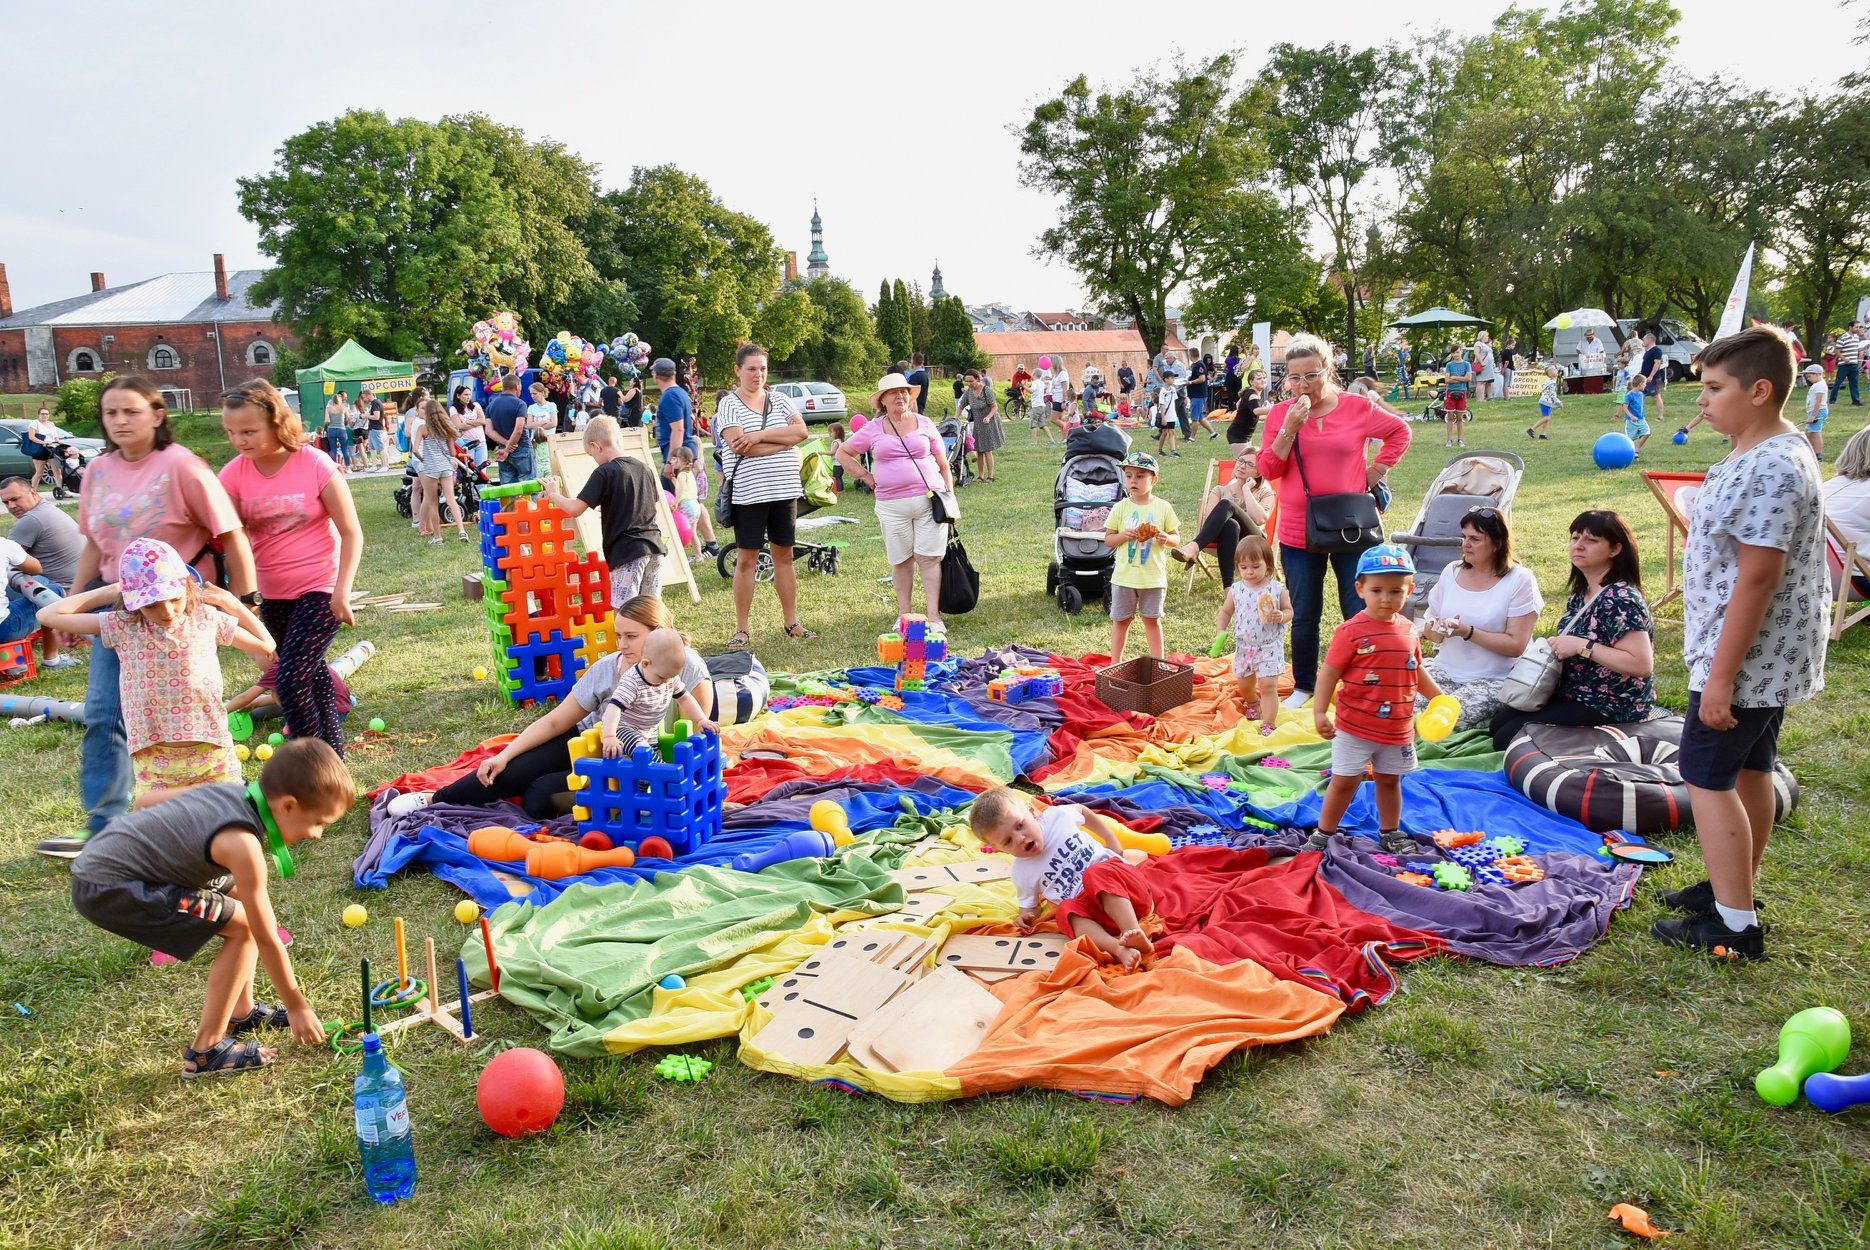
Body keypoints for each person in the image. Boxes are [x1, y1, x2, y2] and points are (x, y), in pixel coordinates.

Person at [1653, 326, 1827, 960]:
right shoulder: (1750, 448)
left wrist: (1721, 677)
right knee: (1751, 765)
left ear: (1759, 391)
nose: (1702, 401)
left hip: (1748, 659)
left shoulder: (1775, 463)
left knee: (1704, 774)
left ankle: (1734, 926)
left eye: (1713, 388)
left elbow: (1759, 575)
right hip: (1749, 655)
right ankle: (1737, 889)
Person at [38, 378, 257, 860]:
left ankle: (218, 801)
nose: (120, 421)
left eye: (131, 411)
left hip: (180, 613)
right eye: (111, 413)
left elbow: (231, 535)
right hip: (122, 613)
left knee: (191, 711)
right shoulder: (96, 472)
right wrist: (76, 600)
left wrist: (247, 600)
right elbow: (95, 544)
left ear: (157, 415)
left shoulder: (184, 467)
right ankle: (105, 824)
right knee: (102, 712)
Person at [70, 738, 349, 1076]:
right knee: (245, 928)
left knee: (233, 900)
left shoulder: (231, 793)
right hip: (113, 888)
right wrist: (297, 1007)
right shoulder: (243, 844)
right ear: (288, 806)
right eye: (318, 822)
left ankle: (242, 1011)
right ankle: (207, 1050)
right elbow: (266, 937)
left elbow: (145, 803)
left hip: (104, 867)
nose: (318, 835)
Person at [388, 596, 714, 818]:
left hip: (645, 756)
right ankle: (434, 799)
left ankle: (565, 789)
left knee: (537, 796)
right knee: (510, 771)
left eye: (631, 636)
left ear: (660, 634)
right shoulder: (608, 668)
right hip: (592, 742)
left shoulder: (685, 664)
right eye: (618, 635)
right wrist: (504, 755)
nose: (621, 645)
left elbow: (699, 727)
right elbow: (556, 722)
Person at [39, 538, 274, 800]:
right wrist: (112, 591)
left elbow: (267, 644)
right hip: (154, 758)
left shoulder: (207, 619)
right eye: (151, 604)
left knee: (227, 821)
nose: (167, 611)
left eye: (175, 598)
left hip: (213, 751)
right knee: (163, 830)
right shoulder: (124, 625)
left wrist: (232, 603)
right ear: (132, 602)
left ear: (187, 586)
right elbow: (47, 616)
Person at [1258, 334, 1411, 708]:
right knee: (1304, 610)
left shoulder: (1357, 407)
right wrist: (1289, 429)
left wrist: (1375, 471)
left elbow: (1400, 432)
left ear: (1329, 370)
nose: (1302, 385)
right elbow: (1267, 467)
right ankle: (1304, 685)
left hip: (1353, 525)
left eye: (1310, 375)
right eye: (1293, 378)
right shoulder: (1281, 413)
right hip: (1299, 527)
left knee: (1358, 607)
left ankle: (1362, 681)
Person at [218, 380, 362, 754]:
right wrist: (242, 602)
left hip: (321, 587)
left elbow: (351, 532)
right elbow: (227, 540)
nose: (240, 440)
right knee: (311, 674)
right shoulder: (233, 474)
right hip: (273, 595)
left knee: (292, 677)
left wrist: (342, 592)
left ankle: (310, 765)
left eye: (249, 431)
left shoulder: (314, 462)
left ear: (276, 422)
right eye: (231, 432)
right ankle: (333, 759)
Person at [1306, 544, 1441, 855]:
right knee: (1344, 782)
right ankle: (1323, 833)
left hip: (1397, 728)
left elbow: (1415, 669)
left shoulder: (1409, 630)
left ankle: (1390, 832)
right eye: (1377, 590)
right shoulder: (1350, 631)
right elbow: (1329, 673)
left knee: (1390, 782)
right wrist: (1318, 712)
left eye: (1396, 591)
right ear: (1360, 588)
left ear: (1410, 589)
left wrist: (1438, 698)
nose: (1386, 598)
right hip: (1355, 726)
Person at [1488, 511, 1655, 748]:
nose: (1578, 546)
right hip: (1574, 694)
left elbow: (1641, 664)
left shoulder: (1620, 600)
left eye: (1591, 540)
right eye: (1575, 538)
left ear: (1615, 549)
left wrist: (1582, 647)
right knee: (1499, 725)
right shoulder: (1583, 592)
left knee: (1507, 738)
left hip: (1610, 704)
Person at [968, 788, 1155, 969]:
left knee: (1094, 873)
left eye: (1020, 825)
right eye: (1008, 841)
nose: (1020, 838)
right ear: (999, 849)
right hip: (1100, 918)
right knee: (1064, 910)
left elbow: (1083, 811)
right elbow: (1029, 907)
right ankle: (1119, 949)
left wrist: (1110, 838)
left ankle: (1134, 932)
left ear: (1032, 811)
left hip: (1125, 889)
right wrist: (1024, 918)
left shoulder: (1058, 817)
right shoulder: (1021, 872)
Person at [836, 373, 956, 631]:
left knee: (929, 558)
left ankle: (934, 617)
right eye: (893, 393)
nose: (900, 396)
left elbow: (943, 464)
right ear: (883, 401)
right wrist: (865, 476)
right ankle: (905, 616)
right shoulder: (873, 428)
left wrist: (950, 496)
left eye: (904, 391)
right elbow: (843, 452)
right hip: (891, 505)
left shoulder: (925, 423)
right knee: (901, 560)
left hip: (930, 502)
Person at [716, 343, 813, 650]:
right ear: (737, 370)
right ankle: (742, 629)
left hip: (784, 490)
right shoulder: (728, 405)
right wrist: (782, 442)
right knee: (747, 559)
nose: (758, 375)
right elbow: (739, 446)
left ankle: (792, 622)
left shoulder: (781, 400)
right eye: (751, 369)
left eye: (763, 369)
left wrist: (757, 435)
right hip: (749, 492)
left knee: (784, 557)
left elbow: (801, 434)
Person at [1417, 508, 1543, 731]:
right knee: (1401, 708)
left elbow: (1516, 645)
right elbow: (1430, 628)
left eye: (1475, 539)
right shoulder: (1452, 571)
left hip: (1495, 678)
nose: (1466, 544)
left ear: (1497, 544)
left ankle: (1494, 720)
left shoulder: (1520, 580)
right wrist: (1438, 629)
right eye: (1464, 537)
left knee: (1448, 721)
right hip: (1444, 670)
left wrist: (1468, 632)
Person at [542, 416, 664, 606]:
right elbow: (651, 510)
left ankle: (626, 637)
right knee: (652, 608)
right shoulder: (643, 468)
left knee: (624, 610)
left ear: (596, 446)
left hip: (627, 552)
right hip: (655, 548)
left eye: (592, 455)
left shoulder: (604, 472)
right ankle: (663, 636)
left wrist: (554, 494)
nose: (595, 460)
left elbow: (574, 509)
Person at [1, 475, 85, 669]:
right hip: (80, 588)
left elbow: (9, 563)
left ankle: (50, 659)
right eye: (6, 502)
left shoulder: (30, 521)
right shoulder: (47, 509)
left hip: (64, 592)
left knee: (25, 584)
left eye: (15, 499)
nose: (11, 506)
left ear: (33, 492)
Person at [1105, 451, 1180, 662]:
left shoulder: (1163, 507)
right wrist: (1122, 536)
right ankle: (1115, 662)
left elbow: (1176, 538)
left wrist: (1165, 537)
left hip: (1152, 577)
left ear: (1153, 480)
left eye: (1140, 476)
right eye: (1129, 476)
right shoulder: (1121, 507)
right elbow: (1108, 539)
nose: (1133, 481)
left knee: (1152, 620)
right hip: (1124, 577)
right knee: (1121, 621)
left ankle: (1159, 662)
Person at [598, 627, 716, 757]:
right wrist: (610, 736)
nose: (666, 682)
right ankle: (668, 775)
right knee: (643, 751)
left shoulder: (668, 677)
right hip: (622, 729)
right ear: (645, 664)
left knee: (648, 761)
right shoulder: (632, 682)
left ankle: (652, 775)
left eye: (672, 676)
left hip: (649, 733)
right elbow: (613, 708)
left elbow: (685, 698)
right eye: (661, 677)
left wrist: (701, 719)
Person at [1218, 535, 1292, 734]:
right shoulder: (1236, 590)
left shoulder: (1276, 589)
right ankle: (1252, 702)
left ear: (1267, 564)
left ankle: (1269, 722)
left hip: (1269, 645)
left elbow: (1289, 610)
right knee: (1245, 685)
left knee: (1268, 685)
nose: (1249, 572)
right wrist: (1221, 630)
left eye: (1255, 566)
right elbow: (1226, 611)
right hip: (1245, 646)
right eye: (1244, 567)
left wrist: (1281, 615)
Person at [1168, 456, 1273, 589]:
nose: (1242, 465)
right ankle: (1228, 589)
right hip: (1225, 537)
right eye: (1240, 461)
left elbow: (1259, 519)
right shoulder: (1219, 490)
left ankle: (1194, 547)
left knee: (1227, 504)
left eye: (1249, 464)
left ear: (1258, 472)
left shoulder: (1266, 493)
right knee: (1231, 525)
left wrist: (1247, 490)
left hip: (1254, 541)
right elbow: (1210, 520)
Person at [411, 400, 470, 545]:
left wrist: (423, 459)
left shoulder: (423, 429)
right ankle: (462, 531)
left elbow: (415, 449)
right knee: (451, 499)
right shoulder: (446, 429)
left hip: (431, 468)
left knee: (432, 502)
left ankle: (438, 538)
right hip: (446, 466)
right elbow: (452, 452)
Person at [485, 375, 532, 484]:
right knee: (528, 484)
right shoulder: (520, 404)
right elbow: (519, 429)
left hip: (502, 451)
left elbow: (489, 431)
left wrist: (506, 445)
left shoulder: (491, 405)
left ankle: (511, 502)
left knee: (508, 487)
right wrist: (509, 446)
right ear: (517, 386)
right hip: (522, 448)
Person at [960, 370, 1003, 483]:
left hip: (989, 422)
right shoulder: (969, 392)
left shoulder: (986, 391)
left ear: (978, 379)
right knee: (979, 450)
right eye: (967, 382)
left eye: (971, 381)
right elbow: (961, 405)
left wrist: (988, 417)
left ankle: (991, 476)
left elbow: (994, 407)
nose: (969, 384)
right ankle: (980, 476)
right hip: (978, 423)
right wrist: (955, 417)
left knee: (987, 449)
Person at [651, 358, 695, 465]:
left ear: (656, 374)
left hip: (679, 458)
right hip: (683, 454)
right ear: (673, 374)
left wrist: (671, 462)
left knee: (669, 482)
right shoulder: (680, 393)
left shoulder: (670, 396)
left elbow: (678, 430)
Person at [1226, 368, 1269, 455]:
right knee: (1242, 462)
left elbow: (1238, 404)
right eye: (1259, 378)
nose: (1263, 380)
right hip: (1239, 434)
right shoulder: (1252, 395)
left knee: (1248, 461)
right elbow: (1256, 411)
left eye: (1264, 378)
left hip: (1244, 433)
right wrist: (1276, 409)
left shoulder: (1249, 392)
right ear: (1251, 382)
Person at [22, 405, 63, 494]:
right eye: (42, 414)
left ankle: (61, 491)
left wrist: (59, 442)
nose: (45, 416)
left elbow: (56, 437)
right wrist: (43, 442)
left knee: (57, 471)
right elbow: (31, 437)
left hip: (51, 449)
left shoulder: (51, 424)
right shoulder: (35, 423)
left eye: (47, 414)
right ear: (39, 414)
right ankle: (32, 492)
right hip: (40, 449)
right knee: (39, 473)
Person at [449, 385, 490, 468]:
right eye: (465, 395)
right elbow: (459, 426)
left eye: (469, 395)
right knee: (470, 468)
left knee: (482, 468)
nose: (468, 397)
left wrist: (467, 422)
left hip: (480, 441)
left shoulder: (475, 405)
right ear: (458, 396)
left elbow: (482, 421)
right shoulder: (454, 408)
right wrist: (476, 423)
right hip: (467, 442)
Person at [1442, 347, 1473, 447]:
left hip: (1462, 392)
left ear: (1461, 352)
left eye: (1457, 352)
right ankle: (1449, 439)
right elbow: (1447, 380)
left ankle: (1460, 439)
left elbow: (1468, 378)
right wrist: (1461, 379)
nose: (1456, 354)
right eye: (1453, 353)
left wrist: (1454, 377)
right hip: (1451, 392)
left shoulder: (1466, 364)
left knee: (1460, 417)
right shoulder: (1449, 365)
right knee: (1450, 417)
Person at [1636, 331, 1668, 428]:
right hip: (1643, 378)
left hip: (1652, 379)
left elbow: (1657, 363)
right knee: (1640, 396)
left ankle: (1661, 416)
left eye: (1644, 339)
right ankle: (1638, 416)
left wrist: (1651, 376)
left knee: (1656, 396)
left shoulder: (1656, 350)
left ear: (1650, 340)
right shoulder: (1647, 351)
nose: (1643, 341)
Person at [525, 382, 559, 474]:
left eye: (535, 393)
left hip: (549, 440)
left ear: (542, 393)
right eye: (531, 394)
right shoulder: (531, 408)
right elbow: (529, 425)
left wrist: (537, 426)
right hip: (536, 441)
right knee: (538, 465)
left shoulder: (551, 405)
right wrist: (544, 422)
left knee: (549, 465)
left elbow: (554, 423)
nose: (532, 396)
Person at [1187, 350, 1219, 438]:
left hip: (1198, 395)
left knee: (1195, 418)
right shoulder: (1198, 365)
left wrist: (1190, 382)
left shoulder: (1199, 365)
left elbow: (1202, 379)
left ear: (1191, 355)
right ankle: (1213, 433)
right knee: (1200, 417)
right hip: (1197, 394)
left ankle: (1192, 437)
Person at [1801, 362, 1830, 457]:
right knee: (1808, 431)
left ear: (1817, 374)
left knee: (1815, 432)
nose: (1808, 379)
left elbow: (1818, 401)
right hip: (1814, 412)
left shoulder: (1820, 385)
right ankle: (1809, 449)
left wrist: (1813, 416)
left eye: (1809, 376)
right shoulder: (1817, 384)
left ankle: (1818, 454)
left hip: (1818, 411)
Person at [1832, 321, 1864, 407]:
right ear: (1850, 327)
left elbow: (1855, 349)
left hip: (1854, 364)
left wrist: (1865, 347)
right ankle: (1832, 400)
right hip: (1844, 365)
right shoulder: (1843, 337)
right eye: (1856, 327)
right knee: (1838, 383)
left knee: (1854, 383)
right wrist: (1843, 358)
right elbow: (1837, 351)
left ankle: (1856, 401)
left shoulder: (1856, 337)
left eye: (1858, 327)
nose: (1858, 329)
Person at [356, 388, 387, 473]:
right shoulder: (374, 403)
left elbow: (376, 416)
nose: (364, 400)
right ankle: (374, 465)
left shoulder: (375, 403)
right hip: (372, 428)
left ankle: (385, 465)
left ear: (368, 395)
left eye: (364, 398)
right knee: (372, 448)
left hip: (376, 428)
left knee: (380, 447)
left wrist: (366, 415)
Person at [1529, 364, 1562, 439]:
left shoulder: (1549, 382)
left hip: (1545, 402)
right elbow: (1553, 395)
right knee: (1547, 418)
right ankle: (1532, 429)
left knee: (1547, 419)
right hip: (1545, 402)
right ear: (1549, 373)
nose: (1556, 370)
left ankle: (1543, 434)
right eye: (1553, 369)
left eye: (1555, 369)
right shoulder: (1552, 383)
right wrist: (1559, 403)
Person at [1623, 376, 1651, 458]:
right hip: (1631, 421)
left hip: (1641, 420)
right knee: (1629, 440)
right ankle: (1627, 452)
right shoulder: (1629, 395)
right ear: (1640, 384)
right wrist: (1631, 416)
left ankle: (1637, 450)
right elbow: (1625, 407)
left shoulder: (1641, 394)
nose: (1645, 385)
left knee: (1647, 433)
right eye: (1645, 383)